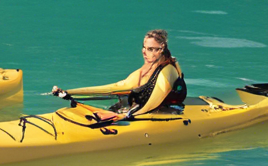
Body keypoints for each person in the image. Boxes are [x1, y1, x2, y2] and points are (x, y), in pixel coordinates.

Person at [55, 29, 187, 117]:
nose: (145, 52)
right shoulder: (144, 70)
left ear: (161, 50)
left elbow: (153, 102)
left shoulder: (168, 70)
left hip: (164, 112)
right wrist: (70, 92)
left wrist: (130, 115)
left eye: (151, 49)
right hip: (136, 110)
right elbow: (116, 88)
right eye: (145, 48)